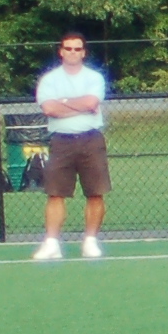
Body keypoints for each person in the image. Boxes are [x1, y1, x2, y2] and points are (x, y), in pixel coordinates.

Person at [34, 32, 111, 260]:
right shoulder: (49, 80)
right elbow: (49, 109)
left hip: (91, 140)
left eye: (77, 49)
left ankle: (90, 241)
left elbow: (92, 102)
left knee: (95, 192)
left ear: (83, 53)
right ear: (61, 51)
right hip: (61, 141)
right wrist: (79, 106)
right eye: (68, 48)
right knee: (55, 193)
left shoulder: (94, 78)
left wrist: (64, 103)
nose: (73, 53)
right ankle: (51, 244)